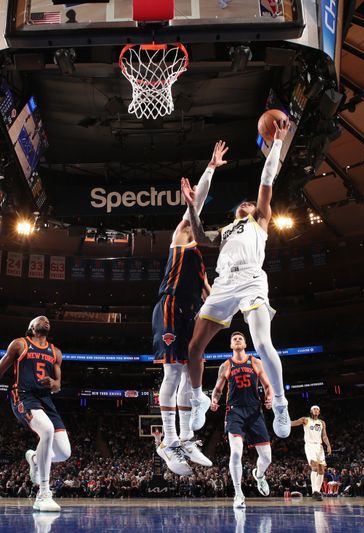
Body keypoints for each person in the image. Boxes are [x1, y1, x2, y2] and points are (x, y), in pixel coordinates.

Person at [181, 119, 292, 440]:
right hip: (224, 285)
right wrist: (191, 207)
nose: (247, 203)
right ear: (235, 213)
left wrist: (278, 144)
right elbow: (199, 236)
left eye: (250, 202)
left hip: (252, 280)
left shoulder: (260, 220)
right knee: (193, 348)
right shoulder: (226, 230)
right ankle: (198, 398)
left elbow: (267, 179)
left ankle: (281, 404)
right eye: (242, 204)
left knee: (262, 343)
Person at [153, 142, 226, 475]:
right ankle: (168, 441)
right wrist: (210, 168)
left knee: (184, 371)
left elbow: (212, 295)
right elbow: (195, 203)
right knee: (171, 372)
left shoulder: (200, 264)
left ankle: (184, 438)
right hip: (169, 305)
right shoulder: (181, 236)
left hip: (188, 313)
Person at [0, 316, 71, 512]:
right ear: (31, 327)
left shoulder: (56, 352)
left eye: (48, 320)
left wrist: (54, 384)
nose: (46, 320)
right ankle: (43, 494)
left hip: (45, 399)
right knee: (47, 430)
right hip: (23, 396)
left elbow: (58, 384)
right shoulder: (20, 344)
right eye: (40, 319)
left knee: (63, 452)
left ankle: (35, 459)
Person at [209, 332, 274, 508]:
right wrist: (214, 400)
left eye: (240, 339)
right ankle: (238, 494)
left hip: (254, 412)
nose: (237, 340)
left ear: (245, 344)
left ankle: (259, 475)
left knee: (267, 457)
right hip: (234, 412)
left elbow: (268, 386)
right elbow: (217, 389)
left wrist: (270, 398)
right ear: (231, 345)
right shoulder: (225, 365)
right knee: (236, 452)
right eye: (234, 339)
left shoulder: (255, 362)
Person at [290, 405, 332, 501]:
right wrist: (284, 423)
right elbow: (294, 423)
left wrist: (328, 445)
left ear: (319, 412)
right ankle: (315, 491)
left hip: (319, 446)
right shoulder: (305, 420)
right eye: (314, 409)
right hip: (309, 445)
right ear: (311, 411)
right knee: (314, 466)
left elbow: (324, 436)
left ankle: (316, 491)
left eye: (318, 409)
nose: (316, 410)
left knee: (321, 469)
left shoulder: (322, 423)